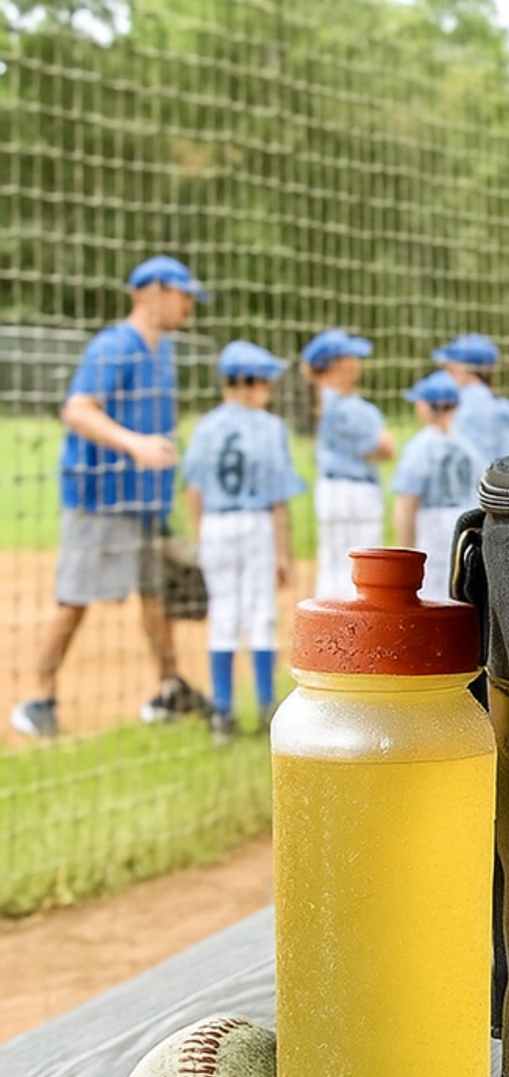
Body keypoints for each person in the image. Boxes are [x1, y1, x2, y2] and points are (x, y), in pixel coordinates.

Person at [11, 254, 211, 740]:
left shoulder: (163, 350)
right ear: (152, 292)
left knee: (156, 595)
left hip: (144, 500)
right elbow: (77, 410)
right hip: (98, 495)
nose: (189, 306)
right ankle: (39, 698)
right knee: (76, 597)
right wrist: (134, 444)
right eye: (183, 295)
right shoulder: (114, 346)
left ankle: (169, 686)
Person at [181, 341, 306, 740]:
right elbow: (277, 500)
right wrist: (284, 552)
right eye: (265, 381)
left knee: (223, 613)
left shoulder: (207, 425)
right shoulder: (269, 428)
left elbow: (193, 488)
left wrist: (200, 536)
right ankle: (268, 707)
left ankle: (223, 712)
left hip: (216, 524)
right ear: (251, 384)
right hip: (256, 525)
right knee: (260, 613)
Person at [301, 328, 394, 599]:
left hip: (331, 489)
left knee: (332, 563)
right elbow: (386, 448)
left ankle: (325, 635)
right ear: (338, 364)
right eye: (351, 358)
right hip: (355, 492)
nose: (357, 364)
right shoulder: (350, 406)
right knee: (361, 566)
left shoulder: (324, 400)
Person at [389, 370, 488, 602]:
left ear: (426, 407)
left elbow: (407, 502)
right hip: (463, 525)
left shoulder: (420, 446)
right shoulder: (468, 446)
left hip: (431, 527)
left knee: (429, 596)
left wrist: (405, 550)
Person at [430, 332, 509, 465]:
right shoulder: (499, 404)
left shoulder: (461, 406)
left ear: (464, 369)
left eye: (449, 368)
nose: (445, 374)